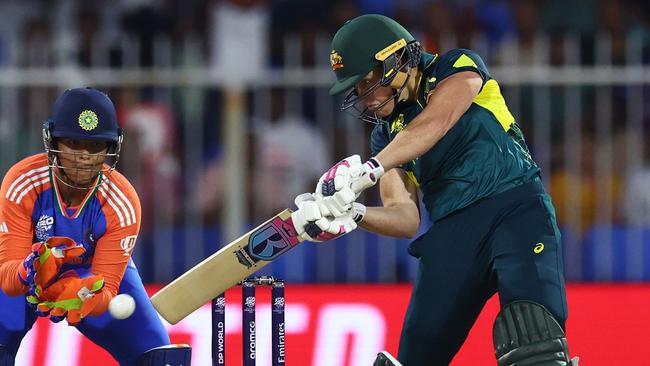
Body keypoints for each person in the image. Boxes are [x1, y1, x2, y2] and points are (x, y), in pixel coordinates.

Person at [290, 14, 579, 365]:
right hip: (452, 236)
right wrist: (354, 212)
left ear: (395, 60)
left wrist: (370, 170)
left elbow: (438, 119)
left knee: (536, 343)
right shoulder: (385, 135)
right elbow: (405, 216)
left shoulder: (457, 65)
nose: (364, 99)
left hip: (515, 212)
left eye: (367, 81)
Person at [0, 87, 190, 366]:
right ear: (52, 141)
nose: (84, 157)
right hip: (24, 273)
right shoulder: (23, 181)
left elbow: (106, 291)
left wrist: (82, 293)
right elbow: (7, 278)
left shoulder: (121, 201)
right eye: (73, 144)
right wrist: (32, 271)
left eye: (95, 146)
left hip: (90, 278)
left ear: (111, 148)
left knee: (159, 359)